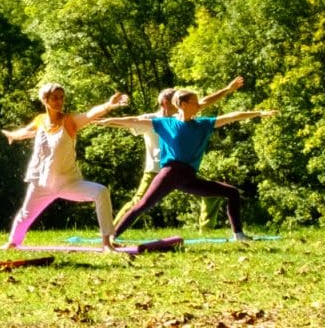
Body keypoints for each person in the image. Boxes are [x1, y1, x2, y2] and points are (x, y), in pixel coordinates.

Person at [112, 88, 274, 241]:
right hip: (170, 173)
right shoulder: (165, 123)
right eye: (194, 102)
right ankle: (112, 237)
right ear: (183, 105)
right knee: (142, 206)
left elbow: (232, 116)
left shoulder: (203, 124)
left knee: (232, 193)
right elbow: (132, 121)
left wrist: (259, 113)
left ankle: (238, 235)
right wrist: (103, 120)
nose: (198, 105)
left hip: (188, 177)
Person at [100, 77, 245, 237]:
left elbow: (205, 102)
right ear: (165, 103)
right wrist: (103, 121)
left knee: (216, 194)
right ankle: (110, 233)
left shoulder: (183, 116)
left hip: (184, 170)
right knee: (139, 203)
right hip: (157, 170)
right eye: (172, 100)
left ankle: (208, 232)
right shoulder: (154, 119)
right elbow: (129, 122)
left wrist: (228, 89)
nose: (175, 103)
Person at [2, 83, 131, 249]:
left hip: (68, 182)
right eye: (55, 98)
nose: (59, 101)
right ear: (44, 99)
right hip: (41, 183)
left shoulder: (70, 121)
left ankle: (107, 242)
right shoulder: (40, 121)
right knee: (25, 215)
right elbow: (26, 132)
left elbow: (89, 114)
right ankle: (13, 243)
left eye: (61, 97)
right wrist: (12, 135)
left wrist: (108, 105)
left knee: (101, 192)